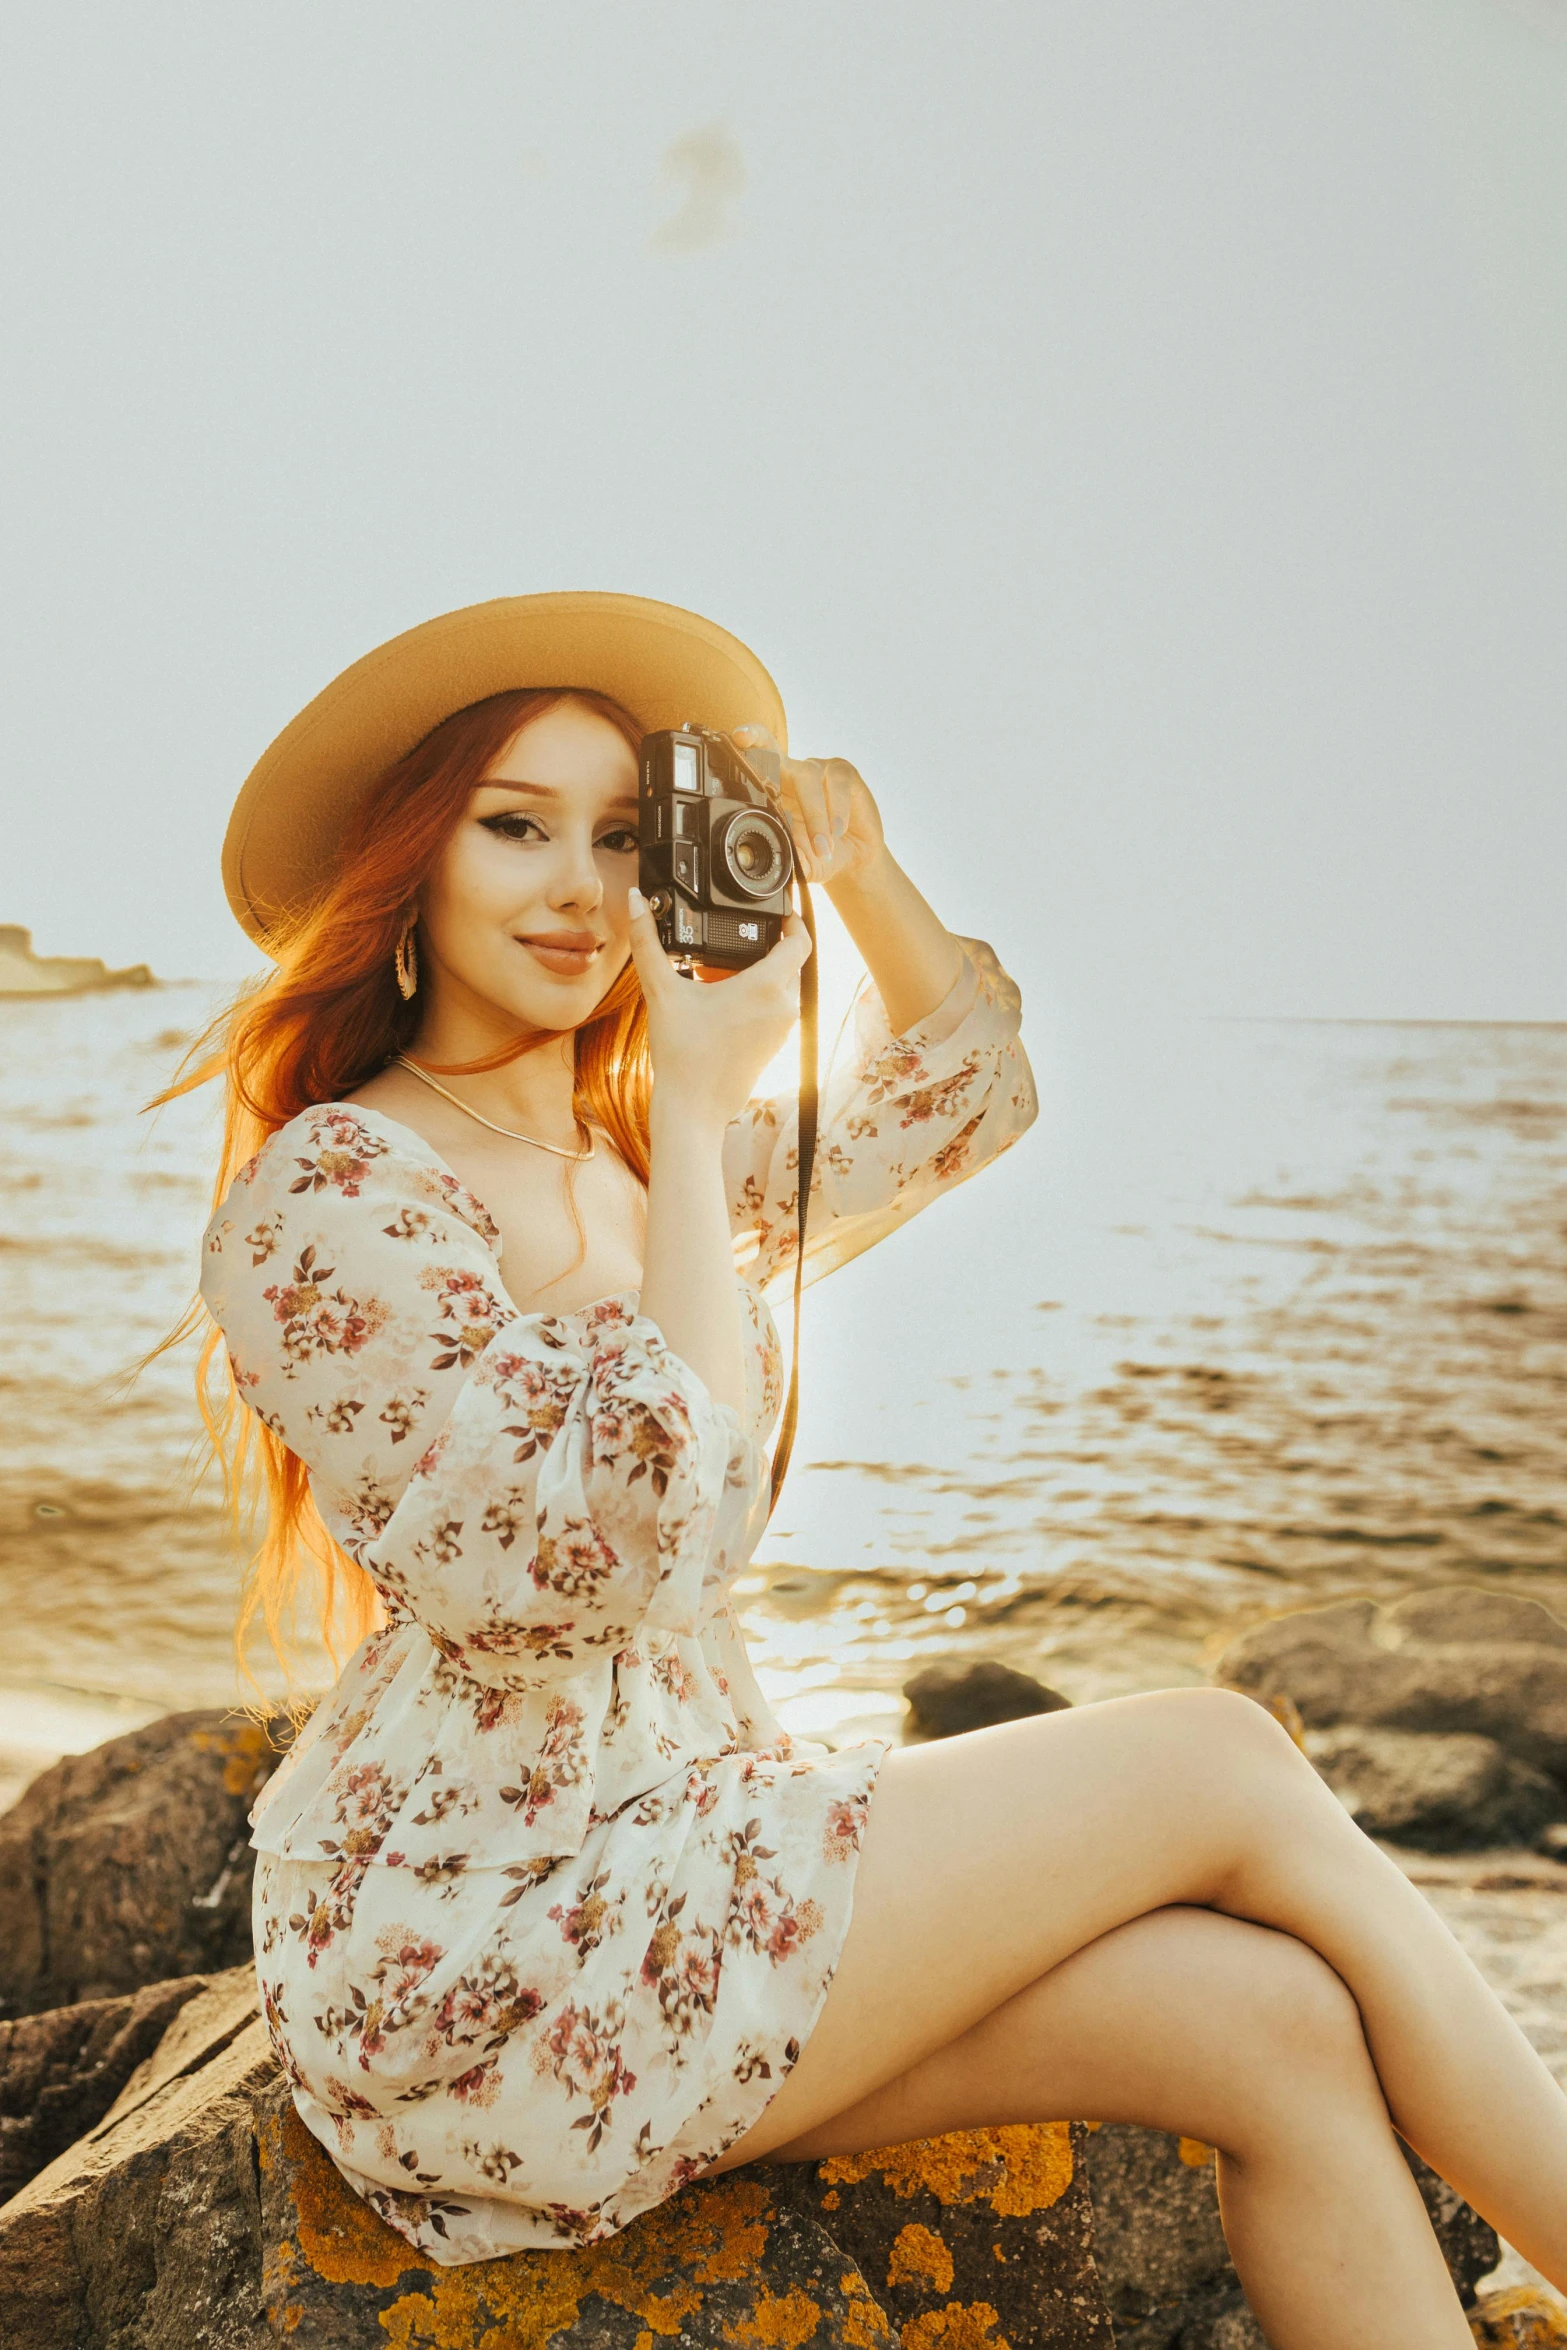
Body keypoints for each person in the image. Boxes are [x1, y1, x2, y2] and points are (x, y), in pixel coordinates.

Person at [187, 594, 1567, 2344]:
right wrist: (692, 1114)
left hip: (683, 1839)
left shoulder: (628, 1148)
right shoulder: (335, 1193)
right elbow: (597, 1556)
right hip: (493, 1944)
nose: (579, 888)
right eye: (514, 825)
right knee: (1218, 1748)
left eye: (627, 837)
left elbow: (972, 1090)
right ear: (413, 858)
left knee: (1270, 2025)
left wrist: (859, 867)